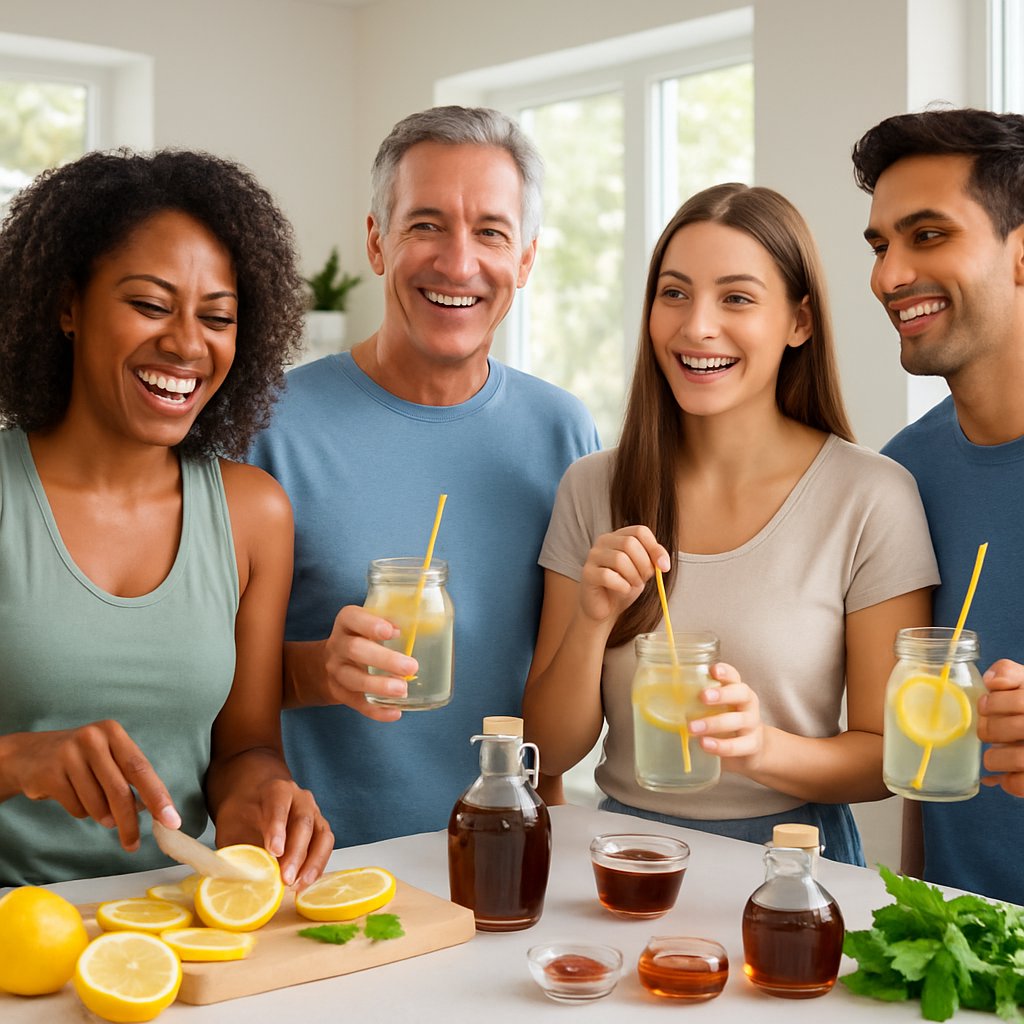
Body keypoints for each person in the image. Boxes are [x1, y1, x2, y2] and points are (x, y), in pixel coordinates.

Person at [522, 183, 938, 865]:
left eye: (737, 298)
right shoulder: (592, 487)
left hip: (794, 861)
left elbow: (885, 758)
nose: (697, 327)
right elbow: (548, 749)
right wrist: (594, 619)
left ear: (800, 322)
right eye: (675, 293)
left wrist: (760, 748)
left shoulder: (871, 497)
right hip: (624, 857)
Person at [249, 106, 599, 847]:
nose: (459, 262)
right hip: (325, 877)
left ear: (527, 259)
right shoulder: (269, 427)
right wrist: (320, 670)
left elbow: (552, 701)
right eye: (426, 224)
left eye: (492, 233)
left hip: (503, 864)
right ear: (378, 242)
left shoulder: (564, 432)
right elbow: (199, 682)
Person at [0, 149, 333, 889]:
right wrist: (19, 760)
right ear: (66, 305)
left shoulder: (254, 513)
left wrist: (265, 798)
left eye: (217, 317)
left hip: (179, 927)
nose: (187, 345)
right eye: (150, 305)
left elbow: (244, 748)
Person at [853, 108, 1024, 904]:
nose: (889, 276)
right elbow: (921, 737)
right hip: (966, 952)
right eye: (882, 245)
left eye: (927, 236)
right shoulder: (903, 475)